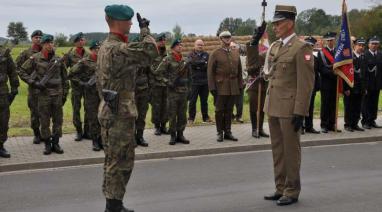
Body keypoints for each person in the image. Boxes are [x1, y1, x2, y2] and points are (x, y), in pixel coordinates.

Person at [250, 5, 314, 206]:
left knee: (290, 151)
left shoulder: (301, 47)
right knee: (278, 150)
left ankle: (292, 190)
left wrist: (300, 111)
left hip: (289, 109)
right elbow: (253, 68)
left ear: (290, 23)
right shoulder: (275, 47)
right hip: (273, 106)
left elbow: (306, 83)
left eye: (279, 22)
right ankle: (280, 187)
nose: (275, 26)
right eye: (275, 22)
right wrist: (253, 43)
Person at [96, 5, 157, 212]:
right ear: (118, 22)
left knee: (113, 158)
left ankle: (113, 204)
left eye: (133, 21)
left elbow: (99, 82)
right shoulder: (117, 48)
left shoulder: (106, 46)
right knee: (121, 160)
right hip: (119, 113)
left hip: (111, 108)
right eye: (129, 21)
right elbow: (151, 52)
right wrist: (145, 31)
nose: (132, 23)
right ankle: (113, 206)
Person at [21, 34, 69, 155]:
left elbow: (65, 78)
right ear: (42, 44)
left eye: (51, 43)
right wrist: (33, 83)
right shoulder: (35, 58)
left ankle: (56, 143)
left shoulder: (58, 59)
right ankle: (47, 144)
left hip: (57, 94)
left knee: (58, 120)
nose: (49, 45)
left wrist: (64, 94)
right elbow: (21, 71)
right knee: (44, 120)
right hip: (43, 95)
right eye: (47, 43)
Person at [208, 31, 242, 142]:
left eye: (229, 37)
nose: (227, 39)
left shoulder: (235, 52)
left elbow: (239, 71)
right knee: (219, 110)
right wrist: (212, 88)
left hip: (233, 86)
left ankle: (228, 131)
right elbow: (210, 72)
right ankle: (219, 132)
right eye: (225, 37)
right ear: (220, 39)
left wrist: (240, 84)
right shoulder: (215, 53)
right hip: (220, 86)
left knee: (229, 110)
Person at [68, 40, 103, 151]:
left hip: (102, 94)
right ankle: (95, 141)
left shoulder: (104, 61)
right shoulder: (84, 61)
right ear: (91, 50)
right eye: (96, 49)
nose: (98, 51)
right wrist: (81, 83)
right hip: (91, 94)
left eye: (100, 49)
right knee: (92, 117)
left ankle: (102, 139)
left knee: (102, 117)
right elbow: (71, 74)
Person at [155, 39, 190, 145]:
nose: (180, 47)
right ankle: (173, 136)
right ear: (173, 47)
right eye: (178, 45)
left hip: (183, 91)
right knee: (172, 114)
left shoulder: (183, 60)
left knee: (182, 115)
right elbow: (158, 73)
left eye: (181, 45)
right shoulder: (168, 59)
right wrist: (167, 82)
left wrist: (189, 86)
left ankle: (181, 134)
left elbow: (188, 75)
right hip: (172, 92)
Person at [16, 30, 43, 144]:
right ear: (32, 38)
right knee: (35, 113)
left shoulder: (46, 51)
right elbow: (17, 68)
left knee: (46, 112)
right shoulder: (26, 53)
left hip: (46, 87)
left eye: (40, 37)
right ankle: (37, 134)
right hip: (33, 87)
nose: (38, 39)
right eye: (36, 37)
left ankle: (45, 134)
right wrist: (29, 80)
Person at [66, 32, 90, 141]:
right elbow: (67, 71)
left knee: (88, 108)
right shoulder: (71, 55)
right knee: (76, 109)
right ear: (75, 42)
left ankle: (87, 131)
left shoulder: (88, 54)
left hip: (88, 85)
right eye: (80, 40)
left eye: (83, 40)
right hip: (76, 85)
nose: (82, 41)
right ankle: (79, 131)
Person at [246, 31, 269, 138]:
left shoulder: (267, 59)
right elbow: (249, 69)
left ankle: (260, 128)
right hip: (253, 86)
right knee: (254, 108)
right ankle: (254, 129)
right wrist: (258, 69)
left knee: (262, 108)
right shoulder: (251, 57)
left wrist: (265, 72)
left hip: (263, 85)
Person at [318, 32, 340, 133]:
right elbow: (321, 68)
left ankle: (332, 124)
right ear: (326, 41)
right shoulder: (321, 53)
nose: (330, 42)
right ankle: (324, 125)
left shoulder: (338, 52)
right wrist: (333, 73)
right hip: (326, 83)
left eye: (332, 40)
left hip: (336, 83)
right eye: (328, 40)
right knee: (325, 104)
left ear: (334, 40)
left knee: (333, 104)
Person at [343, 38, 367, 132]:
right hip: (350, 86)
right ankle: (348, 124)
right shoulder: (349, 57)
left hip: (360, 87)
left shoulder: (363, 57)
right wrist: (346, 88)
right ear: (354, 46)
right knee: (349, 106)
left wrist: (364, 87)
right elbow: (345, 74)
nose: (361, 47)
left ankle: (355, 123)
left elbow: (364, 74)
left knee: (358, 107)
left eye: (362, 46)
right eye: (359, 45)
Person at [0, 44, 19, 158]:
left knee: (3, 122)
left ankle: (0, 146)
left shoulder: (4, 54)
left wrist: (14, 88)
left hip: (2, 94)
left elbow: (12, 71)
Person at [187, 39, 211, 124]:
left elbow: (207, 65)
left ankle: (205, 118)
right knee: (192, 101)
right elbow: (191, 63)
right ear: (194, 45)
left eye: (201, 45)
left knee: (204, 101)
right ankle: (191, 118)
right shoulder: (190, 54)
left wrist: (197, 64)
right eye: (198, 45)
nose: (200, 46)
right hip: (194, 81)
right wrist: (202, 63)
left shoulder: (207, 54)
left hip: (205, 82)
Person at [150, 34, 170, 136]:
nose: (163, 42)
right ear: (157, 42)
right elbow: (152, 70)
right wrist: (161, 79)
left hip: (166, 85)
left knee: (165, 106)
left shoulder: (167, 55)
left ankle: (164, 125)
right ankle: (157, 126)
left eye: (164, 41)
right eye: (161, 41)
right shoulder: (153, 54)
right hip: (156, 85)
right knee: (156, 106)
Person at [361, 36, 382, 129]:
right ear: (368, 45)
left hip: (377, 84)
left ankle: (372, 120)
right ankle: (365, 121)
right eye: (372, 43)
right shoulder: (365, 55)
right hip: (368, 84)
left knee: (374, 103)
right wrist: (364, 85)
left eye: (376, 43)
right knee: (366, 103)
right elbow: (363, 72)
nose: (374, 45)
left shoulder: (380, 54)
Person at [302, 36, 320, 134]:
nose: (309, 47)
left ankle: (309, 126)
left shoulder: (315, 59)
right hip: (302, 87)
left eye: (311, 46)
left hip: (311, 87)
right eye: (307, 45)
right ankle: (301, 127)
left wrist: (317, 86)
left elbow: (316, 74)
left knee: (310, 107)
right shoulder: (299, 57)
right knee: (301, 107)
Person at [231, 41, 245, 123]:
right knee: (230, 101)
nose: (233, 48)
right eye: (231, 47)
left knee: (239, 101)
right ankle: (231, 116)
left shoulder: (243, 58)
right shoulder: (227, 57)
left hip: (240, 82)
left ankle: (239, 116)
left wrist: (244, 80)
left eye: (234, 47)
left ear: (238, 49)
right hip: (230, 83)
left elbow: (245, 71)